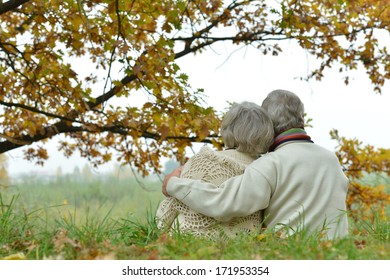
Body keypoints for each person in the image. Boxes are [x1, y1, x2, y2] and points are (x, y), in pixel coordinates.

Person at [162, 90, 349, 239]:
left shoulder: (272, 163)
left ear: (269, 125)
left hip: (291, 254)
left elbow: (224, 203)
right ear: (301, 117)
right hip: (335, 253)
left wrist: (173, 184)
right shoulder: (330, 159)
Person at [156, 101, 274, 240]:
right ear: (266, 134)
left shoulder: (201, 161)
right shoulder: (266, 171)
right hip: (240, 247)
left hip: (186, 242)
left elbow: (167, 213)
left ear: (226, 130)